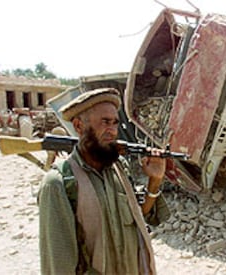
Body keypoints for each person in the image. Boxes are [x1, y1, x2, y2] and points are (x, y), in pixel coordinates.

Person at [38, 87, 170, 274]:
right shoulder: (58, 184)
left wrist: (154, 181)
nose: (113, 131)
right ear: (78, 126)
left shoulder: (119, 169)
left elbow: (139, 216)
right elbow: (58, 265)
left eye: (115, 123)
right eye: (105, 122)